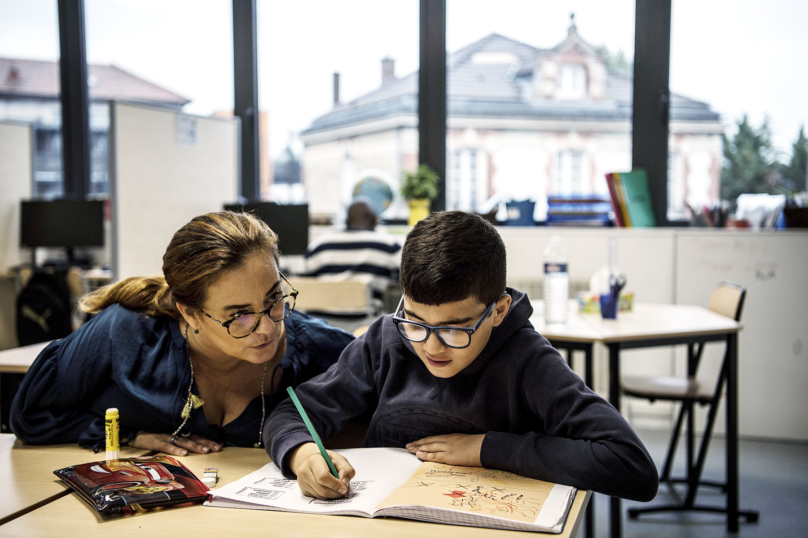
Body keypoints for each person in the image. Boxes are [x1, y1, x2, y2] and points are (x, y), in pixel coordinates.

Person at [264, 211, 659, 502]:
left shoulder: (528, 360)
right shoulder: (387, 339)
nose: (431, 347)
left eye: (455, 329)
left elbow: (631, 466)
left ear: (499, 311)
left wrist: (486, 449)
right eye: (417, 322)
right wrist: (302, 454)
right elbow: (291, 412)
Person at [11, 211, 354, 455]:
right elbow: (30, 416)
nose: (268, 328)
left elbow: (394, 380)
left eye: (274, 299)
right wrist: (131, 435)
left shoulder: (317, 348)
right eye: (239, 315)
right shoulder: (125, 332)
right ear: (189, 313)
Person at [302, 198, 401, 301]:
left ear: (347, 221)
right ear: (374, 221)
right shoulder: (389, 245)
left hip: (321, 315)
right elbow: (409, 275)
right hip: (368, 316)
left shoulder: (319, 245)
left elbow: (303, 280)